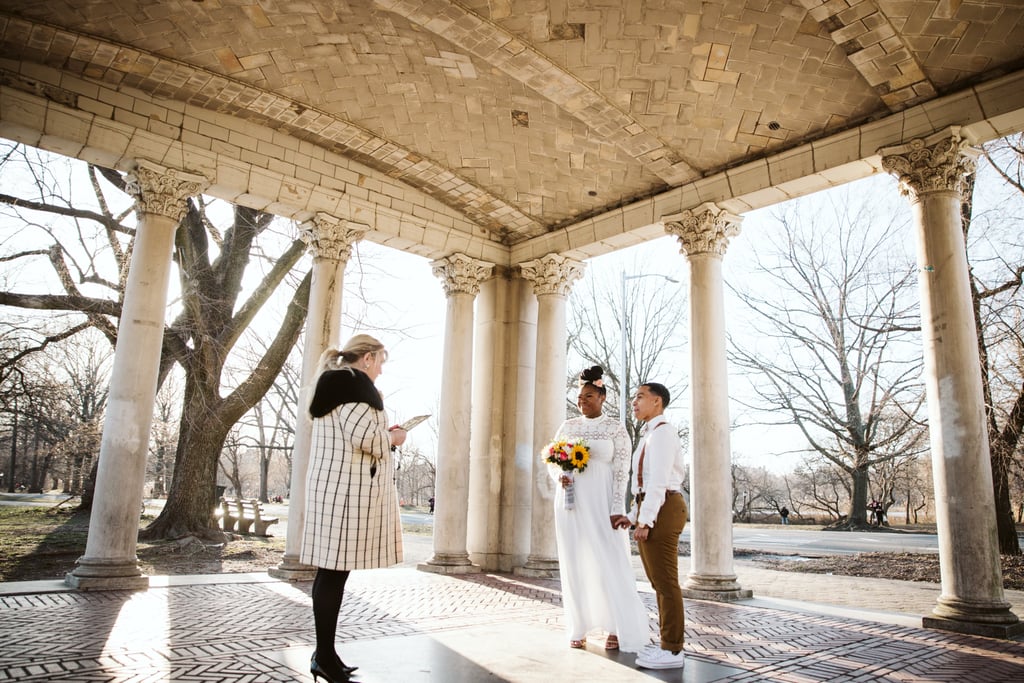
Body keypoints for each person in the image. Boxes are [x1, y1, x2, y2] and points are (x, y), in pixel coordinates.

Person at [301, 334, 407, 683]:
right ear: (366, 359)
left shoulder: (337, 383)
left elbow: (353, 433)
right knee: (332, 575)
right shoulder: (353, 385)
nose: (379, 370)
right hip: (345, 494)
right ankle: (324, 658)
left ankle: (325, 653)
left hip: (333, 490)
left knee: (331, 574)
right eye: (379, 362)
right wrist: (394, 437)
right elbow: (365, 438)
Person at [549, 366, 649, 653]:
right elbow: (551, 459)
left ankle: (615, 626)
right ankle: (578, 626)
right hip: (571, 502)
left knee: (609, 560)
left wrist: (618, 508)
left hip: (603, 502)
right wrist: (559, 475)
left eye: (589, 396)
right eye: (580, 397)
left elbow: (622, 472)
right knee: (575, 561)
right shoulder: (568, 427)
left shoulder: (615, 429)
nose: (583, 401)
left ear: (603, 397)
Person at [614, 382, 687, 670]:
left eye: (640, 397)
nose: (634, 402)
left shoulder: (664, 432)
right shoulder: (650, 434)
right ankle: (668, 645)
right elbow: (643, 485)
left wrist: (645, 520)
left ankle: (672, 650)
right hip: (655, 506)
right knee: (659, 582)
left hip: (665, 507)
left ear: (657, 402)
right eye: (634, 398)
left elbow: (658, 481)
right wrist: (632, 516)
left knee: (666, 582)